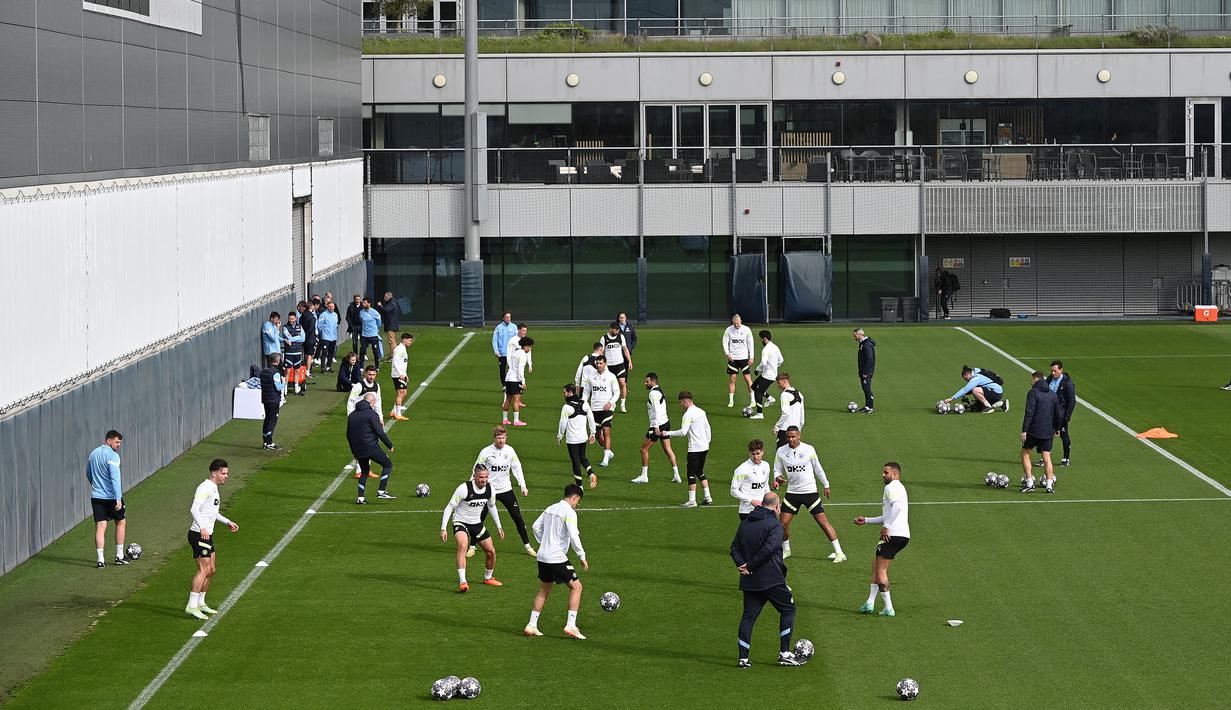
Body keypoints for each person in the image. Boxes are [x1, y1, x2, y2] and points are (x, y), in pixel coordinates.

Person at [729, 492, 802, 668]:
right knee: (788, 609)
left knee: (748, 617)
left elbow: (734, 548)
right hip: (771, 579)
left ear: (762, 504)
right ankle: (784, 653)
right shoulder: (775, 525)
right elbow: (769, 549)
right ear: (777, 507)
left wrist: (743, 566)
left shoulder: (745, 524)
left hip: (750, 581)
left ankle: (743, 658)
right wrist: (751, 566)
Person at [525, 483, 588, 640]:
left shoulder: (550, 508)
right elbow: (574, 535)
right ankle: (571, 625)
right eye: (577, 501)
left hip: (542, 556)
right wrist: (582, 555)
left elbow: (535, 527)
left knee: (545, 588)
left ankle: (531, 625)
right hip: (556, 557)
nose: (577, 504)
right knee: (577, 587)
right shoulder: (569, 513)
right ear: (575, 497)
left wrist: (544, 542)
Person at [772, 427, 844, 563]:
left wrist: (826, 484)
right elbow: (777, 469)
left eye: (793, 436)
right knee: (782, 524)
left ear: (799, 435)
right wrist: (778, 477)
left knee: (823, 523)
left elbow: (818, 467)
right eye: (788, 437)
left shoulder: (809, 449)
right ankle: (786, 550)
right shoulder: (781, 451)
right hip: (792, 493)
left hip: (810, 492)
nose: (790, 439)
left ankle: (839, 552)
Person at [854, 462, 910, 617]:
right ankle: (870, 603)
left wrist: (887, 526)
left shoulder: (890, 487)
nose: (883, 475)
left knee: (881, 570)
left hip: (892, 534)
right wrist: (866, 520)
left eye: (886, 473)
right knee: (876, 566)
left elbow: (896, 508)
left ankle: (888, 608)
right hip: (903, 535)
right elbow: (890, 514)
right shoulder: (901, 488)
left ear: (895, 474)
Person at [186, 458, 239, 619]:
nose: (226, 476)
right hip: (198, 534)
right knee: (203, 570)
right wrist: (202, 527)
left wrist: (227, 521)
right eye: (223, 473)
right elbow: (194, 509)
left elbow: (212, 513)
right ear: (214, 473)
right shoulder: (205, 488)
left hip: (207, 534)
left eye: (227, 473)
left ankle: (201, 603)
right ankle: (191, 605)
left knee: (211, 570)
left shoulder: (214, 488)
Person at [440, 464, 505, 593]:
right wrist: (443, 528)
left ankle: (488, 577)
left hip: (477, 523)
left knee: (491, 551)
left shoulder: (490, 489)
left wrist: (499, 526)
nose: (484, 480)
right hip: (460, 521)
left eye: (486, 477)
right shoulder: (464, 488)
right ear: (474, 476)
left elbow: (492, 506)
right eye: (481, 477)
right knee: (463, 546)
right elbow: (449, 507)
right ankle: (463, 581)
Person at [475, 426, 535, 556]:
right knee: (479, 518)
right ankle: (472, 546)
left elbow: (517, 468)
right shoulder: (486, 452)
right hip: (489, 490)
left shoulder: (510, 451)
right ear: (494, 438)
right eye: (499, 438)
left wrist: (522, 485)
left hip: (506, 490)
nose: (501, 440)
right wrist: (472, 486)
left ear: (506, 437)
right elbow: (476, 469)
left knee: (517, 518)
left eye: (503, 437)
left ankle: (528, 546)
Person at [660, 391, 713, 508]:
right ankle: (708, 497)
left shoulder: (688, 415)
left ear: (685, 401)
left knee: (691, 473)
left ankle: (692, 500)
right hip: (704, 447)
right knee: (700, 471)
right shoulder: (701, 412)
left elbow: (683, 432)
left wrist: (666, 433)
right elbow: (708, 429)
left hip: (694, 449)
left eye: (681, 403)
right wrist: (706, 442)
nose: (680, 405)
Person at [87, 430, 128, 568]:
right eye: (117, 442)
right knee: (121, 522)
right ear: (108, 441)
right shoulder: (113, 456)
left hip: (96, 497)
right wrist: (118, 498)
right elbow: (115, 478)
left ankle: (100, 560)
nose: (118, 445)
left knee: (100, 526)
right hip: (111, 497)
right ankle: (119, 556)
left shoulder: (93, 453)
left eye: (120, 443)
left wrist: (95, 485)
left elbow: (88, 472)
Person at [633, 372, 680, 484]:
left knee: (643, 449)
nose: (645, 383)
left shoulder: (653, 394)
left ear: (653, 382)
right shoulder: (659, 390)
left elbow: (657, 410)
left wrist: (656, 427)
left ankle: (644, 476)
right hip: (666, 422)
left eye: (647, 381)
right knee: (668, 449)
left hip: (657, 425)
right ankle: (677, 475)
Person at [348, 393, 396, 504]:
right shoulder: (372, 414)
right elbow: (379, 432)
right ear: (372, 402)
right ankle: (381, 491)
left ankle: (360, 498)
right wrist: (389, 445)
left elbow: (348, 435)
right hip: (371, 447)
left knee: (364, 471)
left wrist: (354, 451)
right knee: (387, 465)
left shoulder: (352, 415)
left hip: (358, 449)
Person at [1021, 370, 1062, 494]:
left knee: (1025, 452)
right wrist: (1057, 429)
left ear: (1035, 379)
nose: (1031, 382)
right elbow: (1058, 414)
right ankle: (1049, 484)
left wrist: (1024, 430)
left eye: (1032, 380)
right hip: (1048, 431)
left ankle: (1029, 482)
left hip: (1034, 430)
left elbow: (1029, 413)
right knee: (1047, 457)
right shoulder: (1052, 394)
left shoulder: (1033, 392)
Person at [557, 384, 598, 489]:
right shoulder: (585, 404)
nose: (563, 395)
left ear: (570, 393)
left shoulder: (566, 407)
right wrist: (592, 433)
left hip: (572, 440)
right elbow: (591, 418)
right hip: (583, 437)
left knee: (575, 462)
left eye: (564, 393)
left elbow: (563, 423)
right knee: (582, 457)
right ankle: (591, 474)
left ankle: (579, 486)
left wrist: (559, 436)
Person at [1037, 360, 1075, 467]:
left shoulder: (1067, 383)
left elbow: (1072, 402)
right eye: (1051, 370)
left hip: (1060, 415)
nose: (1053, 373)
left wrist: (1066, 417)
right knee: (1046, 435)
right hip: (1048, 413)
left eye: (1055, 371)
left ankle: (1066, 458)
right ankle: (1045, 458)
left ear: (1061, 370)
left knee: (1063, 434)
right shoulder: (1050, 379)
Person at [583, 357, 620, 468]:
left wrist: (610, 403)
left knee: (606, 430)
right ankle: (609, 452)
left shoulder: (611, 377)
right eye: (597, 363)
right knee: (598, 435)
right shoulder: (591, 376)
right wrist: (583, 404)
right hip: (594, 408)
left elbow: (617, 392)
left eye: (601, 363)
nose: (599, 365)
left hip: (607, 409)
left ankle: (605, 459)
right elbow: (586, 392)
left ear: (605, 364)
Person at [731, 439, 771, 521]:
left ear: (762, 452)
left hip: (763, 509)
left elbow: (765, 485)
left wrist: (770, 502)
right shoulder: (742, 469)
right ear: (749, 453)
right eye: (753, 454)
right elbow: (733, 491)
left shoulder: (766, 465)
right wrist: (751, 501)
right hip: (747, 511)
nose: (756, 457)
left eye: (758, 454)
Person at [723, 314, 756, 409]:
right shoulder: (728, 330)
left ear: (740, 321)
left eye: (737, 323)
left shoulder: (747, 330)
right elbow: (725, 342)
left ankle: (753, 400)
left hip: (744, 358)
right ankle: (731, 401)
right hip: (733, 358)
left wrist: (751, 357)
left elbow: (751, 343)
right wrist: (727, 353)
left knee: (747, 379)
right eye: (734, 324)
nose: (736, 325)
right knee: (732, 378)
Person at [600, 322, 632, 412]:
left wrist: (629, 361)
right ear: (611, 328)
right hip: (609, 366)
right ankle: (611, 403)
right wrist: (602, 364)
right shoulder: (604, 338)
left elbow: (625, 349)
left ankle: (622, 404)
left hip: (620, 364)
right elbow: (601, 352)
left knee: (622, 383)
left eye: (618, 330)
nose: (616, 331)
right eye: (615, 329)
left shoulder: (621, 337)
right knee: (609, 385)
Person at [750, 330, 783, 419]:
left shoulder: (766, 349)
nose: (761, 341)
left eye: (761, 339)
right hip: (770, 374)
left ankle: (759, 414)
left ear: (764, 339)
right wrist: (773, 367)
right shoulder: (775, 347)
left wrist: (757, 369)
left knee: (758, 392)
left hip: (768, 375)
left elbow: (763, 363)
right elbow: (781, 360)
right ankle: (770, 398)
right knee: (754, 386)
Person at [502, 337, 534, 426]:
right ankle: (516, 421)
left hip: (508, 378)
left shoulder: (515, 352)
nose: (530, 348)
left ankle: (505, 419)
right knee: (516, 400)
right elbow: (520, 369)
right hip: (515, 380)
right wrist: (523, 381)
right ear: (526, 346)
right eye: (529, 347)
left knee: (508, 399)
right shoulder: (523, 354)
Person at [503, 323, 534, 404]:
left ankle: (518, 401)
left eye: (525, 331)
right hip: (513, 365)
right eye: (523, 331)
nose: (524, 332)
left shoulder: (526, 340)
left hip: (521, 363)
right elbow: (509, 353)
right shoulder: (512, 340)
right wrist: (510, 365)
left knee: (520, 382)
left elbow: (528, 353)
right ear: (519, 330)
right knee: (511, 382)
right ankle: (506, 401)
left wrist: (530, 364)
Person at [259, 354, 284, 450]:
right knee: (272, 420)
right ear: (277, 361)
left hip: (265, 398)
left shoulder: (263, 371)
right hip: (273, 400)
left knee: (267, 418)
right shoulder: (275, 373)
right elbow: (278, 387)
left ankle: (265, 441)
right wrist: (284, 382)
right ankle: (269, 442)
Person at [772, 373, 804, 449]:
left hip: (785, 431)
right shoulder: (800, 394)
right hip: (796, 431)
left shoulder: (784, 395)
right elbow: (802, 416)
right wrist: (799, 429)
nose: (778, 385)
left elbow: (785, 413)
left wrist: (777, 426)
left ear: (785, 381)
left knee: (781, 454)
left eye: (779, 383)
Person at [388, 333, 414, 421]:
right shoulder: (399, 349)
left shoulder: (402, 349)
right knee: (401, 393)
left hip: (401, 374)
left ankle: (393, 411)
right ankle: (398, 414)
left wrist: (405, 374)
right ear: (404, 339)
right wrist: (400, 374)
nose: (411, 342)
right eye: (410, 340)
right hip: (398, 375)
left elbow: (402, 363)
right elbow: (395, 361)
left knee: (404, 393)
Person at [282, 311, 306, 396]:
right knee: (287, 372)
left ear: (296, 318)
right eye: (289, 319)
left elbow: (303, 338)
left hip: (298, 352)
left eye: (292, 319)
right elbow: (288, 337)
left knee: (297, 371)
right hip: (289, 353)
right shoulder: (285, 327)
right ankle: (284, 391)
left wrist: (294, 338)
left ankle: (296, 389)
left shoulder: (300, 326)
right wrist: (298, 337)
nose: (291, 320)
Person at [492, 311, 517, 387]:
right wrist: (496, 351)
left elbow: (517, 339)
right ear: (503, 318)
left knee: (511, 370)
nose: (508, 319)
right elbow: (494, 340)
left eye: (509, 317)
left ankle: (510, 385)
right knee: (502, 371)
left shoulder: (514, 327)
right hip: (502, 353)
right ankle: (504, 385)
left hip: (512, 353)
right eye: (506, 317)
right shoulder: (498, 328)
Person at [853, 328, 875, 413]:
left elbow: (870, 359)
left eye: (855, 335)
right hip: (863, 371)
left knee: (867, 388)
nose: (854, 337)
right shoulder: (863, 344)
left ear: (860, 335)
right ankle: (867, 406)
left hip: (866, 372)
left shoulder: (866, 345)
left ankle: (870, 408)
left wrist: (866, 372)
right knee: (865, 388)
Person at [358, 297, 383, 368]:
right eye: (363, 302)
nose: (363, 304)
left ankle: (377, 367)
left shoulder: (375, 313)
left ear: (369, 303)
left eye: (364, 302)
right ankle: (361, 367)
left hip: (373, 335)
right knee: (362, 351)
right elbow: (361, 321)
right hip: (364, 335)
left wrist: (374, 330)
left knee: (375, 351)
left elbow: (379, 323)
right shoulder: (361, 312)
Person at [316, 300, 340, 372]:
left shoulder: (335, 315)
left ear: (334, 307)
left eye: (332, 306)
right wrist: (323, 333)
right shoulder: (323, 315)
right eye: (329, 306)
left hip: (333, 337)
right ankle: (323, 368)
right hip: (325, 337)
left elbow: (336, 325)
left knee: (331, 353)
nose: (331, 308)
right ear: (327, 307)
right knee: (324, 353)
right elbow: (319, 326)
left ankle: (329, 367)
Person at [378, 291, 400, 359]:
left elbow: (386, 310)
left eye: (385, 297)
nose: (384, 298)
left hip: (391, 325)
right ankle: (392, 356)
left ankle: (393, 356)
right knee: (392, 340)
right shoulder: (392, 302)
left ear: (389, 297)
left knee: (392, 340)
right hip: (391, 324)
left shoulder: (391, 303)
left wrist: (380, 306)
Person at [299, 300, 318, 376]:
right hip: (310, 338)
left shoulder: (301, 316)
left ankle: (303, 369)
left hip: (302, 338)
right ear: (311, 307)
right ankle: (307, 370)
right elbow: (311, 329)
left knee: (304, 354)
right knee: (310, 355)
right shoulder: (312, 317)